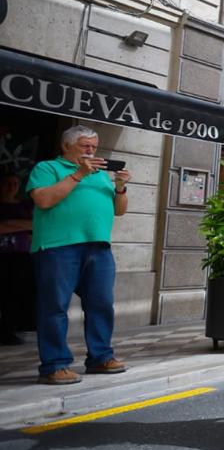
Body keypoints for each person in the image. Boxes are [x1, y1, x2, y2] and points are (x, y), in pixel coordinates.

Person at [27, 126, 132, 384]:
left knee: (101, 305)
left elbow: (119, 211)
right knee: (54, 307)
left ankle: (100, 358)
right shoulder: (47, 168)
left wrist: (119, 188)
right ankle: (54, 365)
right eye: (85, 146)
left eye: (94, 147)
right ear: (66, 146)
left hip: (98, 247)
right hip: (58, 246)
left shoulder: (98, 176)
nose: (91, 151)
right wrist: (78, 175)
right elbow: (43, 200)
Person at [0, 172, 34, 345]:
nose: (12, 187)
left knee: (16, 294)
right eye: (8, 183)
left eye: (15, 183)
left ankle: (10, 330)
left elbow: (36, 226)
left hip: (21, 256)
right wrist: (22, 225)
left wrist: (10, 225)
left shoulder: (25, 206)